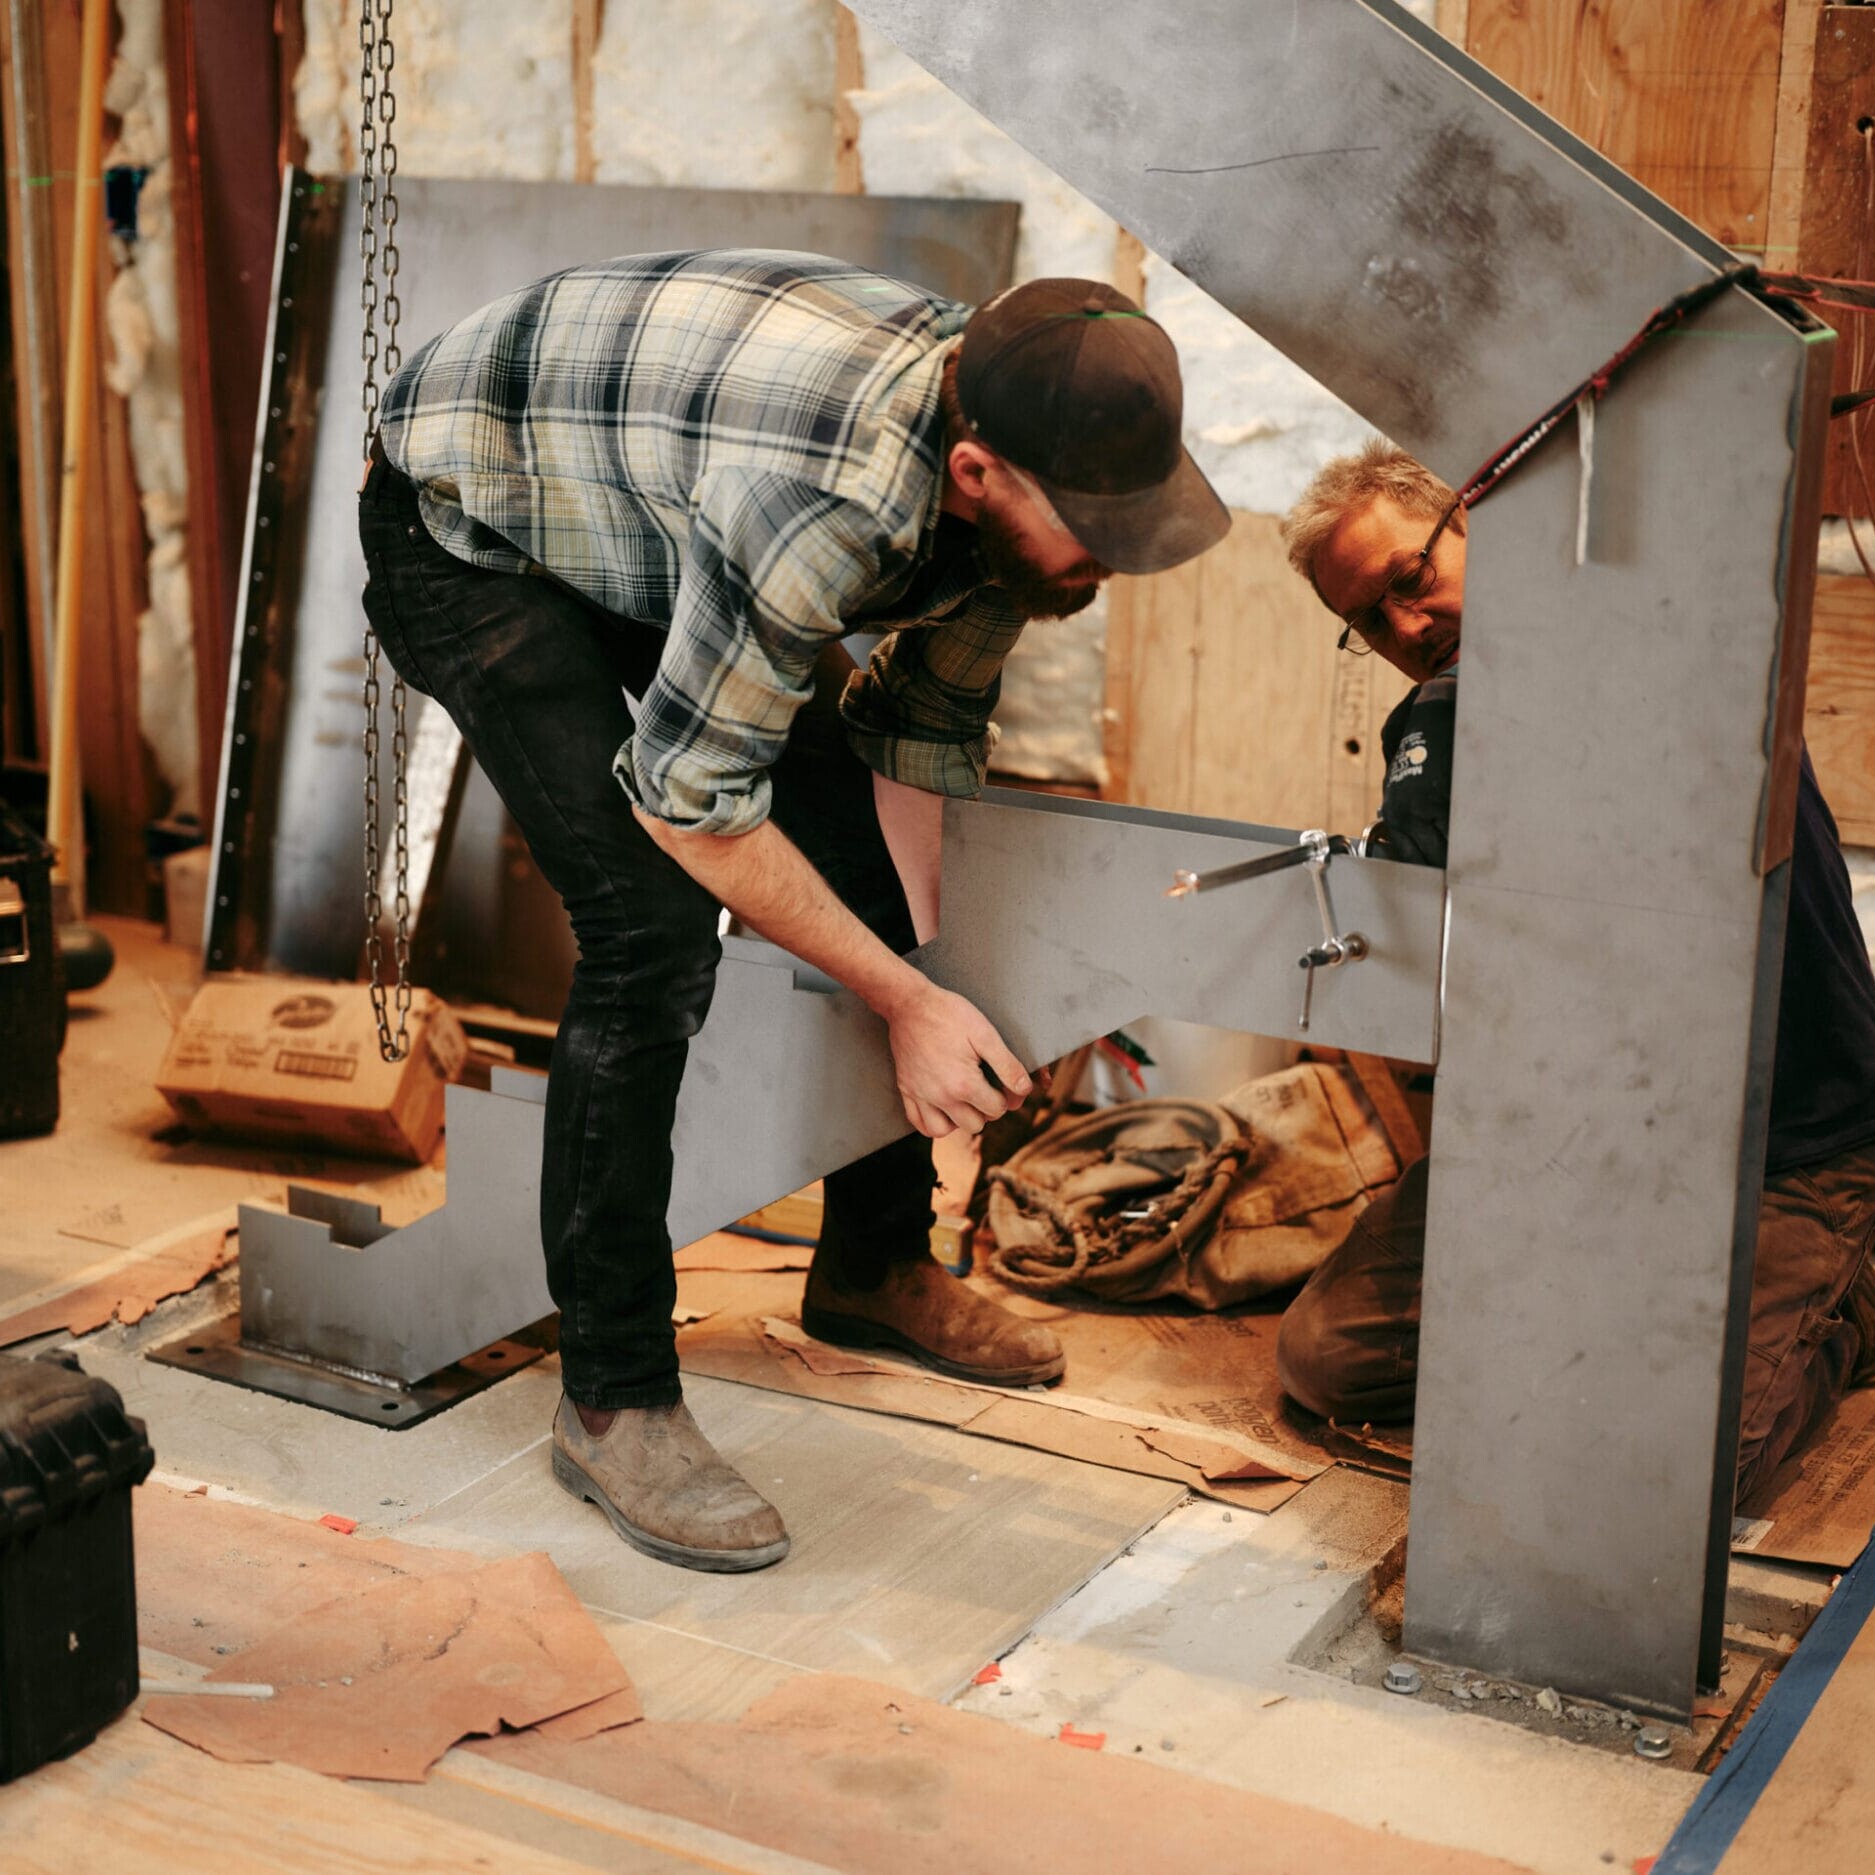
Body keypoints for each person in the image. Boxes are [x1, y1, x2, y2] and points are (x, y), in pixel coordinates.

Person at [359, 250, 1230, 1572]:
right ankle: (613, 1395)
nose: (1111, 561)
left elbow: (921, 728)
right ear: (976, 472)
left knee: (861, 887)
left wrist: (931, 972)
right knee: (648, 927)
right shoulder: (821, 502)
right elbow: (689, 804)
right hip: (472, 523)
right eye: (1093, 529)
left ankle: (871, 1266)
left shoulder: (1013, 483)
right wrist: (904, 998)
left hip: (646, 511)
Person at [1274, 438, 1875, 1500]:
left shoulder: (1660, 655)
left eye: (1412, 579)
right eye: (1369, 619)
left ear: (1474, 519)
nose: (1406, 628)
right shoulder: (1452, 722)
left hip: (1789, 1151)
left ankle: (1849, 1282)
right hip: (1583, 1148)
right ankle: (1632, 1304)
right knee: (1329, 1357)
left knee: (1675, 1477)